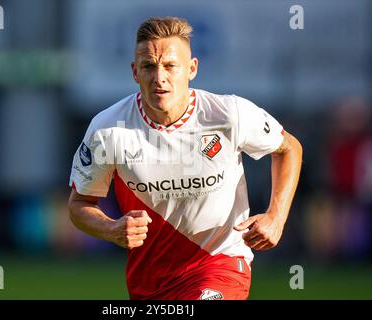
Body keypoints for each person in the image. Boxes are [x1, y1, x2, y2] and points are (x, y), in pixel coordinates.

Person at [67, 16, 302, 300]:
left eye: (170, 66)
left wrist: (277, 217)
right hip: (150, 282)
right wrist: (111, 229)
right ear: (135, 72)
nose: (159, 77)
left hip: (220, 263)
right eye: (149, 66)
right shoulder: (108, 130)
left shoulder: (228, 114)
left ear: (192, 69)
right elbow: (79, 204)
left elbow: (289, 148)